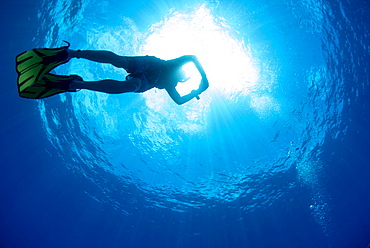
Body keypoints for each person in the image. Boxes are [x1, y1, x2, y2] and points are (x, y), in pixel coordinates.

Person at [15, 41, 209, 105]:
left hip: (147, 80)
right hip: (151, 64)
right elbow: (192, 56)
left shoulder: (170, 85)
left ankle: (75, 84)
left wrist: (194, 93)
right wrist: (204, 80)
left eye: (183, 79)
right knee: (120, 61)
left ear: (182, 80)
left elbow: (179, 101)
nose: (181, 77)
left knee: (130, 86)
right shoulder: (175, 65)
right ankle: (72, 54)